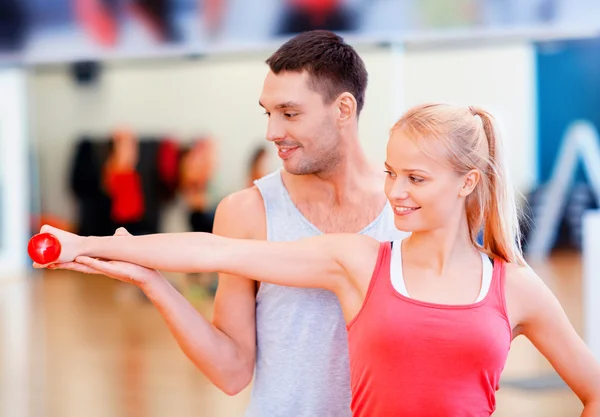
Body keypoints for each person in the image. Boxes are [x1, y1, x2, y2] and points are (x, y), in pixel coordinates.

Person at [37, 103, 600, 416]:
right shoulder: (358, 261)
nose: (395, 191)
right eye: (391, 172)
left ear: (467, 183)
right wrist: (92, 245)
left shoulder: (513, 287)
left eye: (416, 178)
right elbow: (219, 249)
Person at [48, 30, 407, 417]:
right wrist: (153, 282)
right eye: (268, 113)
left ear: (343, 109)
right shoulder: (247, 212)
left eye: (289, 113)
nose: (272, 132)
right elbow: (232, 371)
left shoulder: (407, 209)